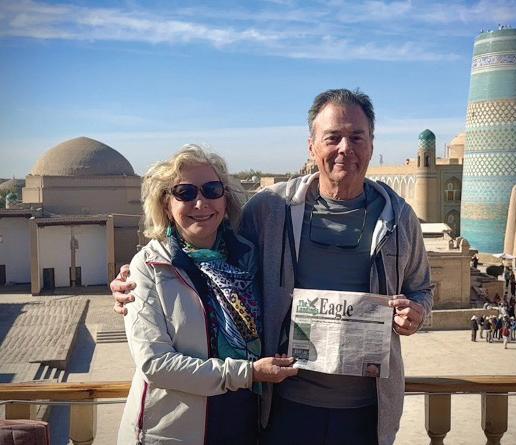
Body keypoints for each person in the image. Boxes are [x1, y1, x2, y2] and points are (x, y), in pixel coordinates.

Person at [113, 89, 433, 445]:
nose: (345, 148)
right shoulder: (271, 209)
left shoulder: (399, 218)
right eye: (332, 138)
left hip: (366, 412)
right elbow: (201, 242)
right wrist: (132, 281)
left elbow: (422, 289)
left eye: (357, 137)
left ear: (371, 144)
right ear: (312, 146)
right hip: (283, 407)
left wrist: (418, 313)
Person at [117, 146, 297, 444]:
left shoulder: (249, 259)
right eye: (185, 193)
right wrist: (248, 373)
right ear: (166, 205)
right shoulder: (149, 267)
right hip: (175, 432)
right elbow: (155, 364)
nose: (201, 203)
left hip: (243, 424)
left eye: (212, 190)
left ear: (225, 199)